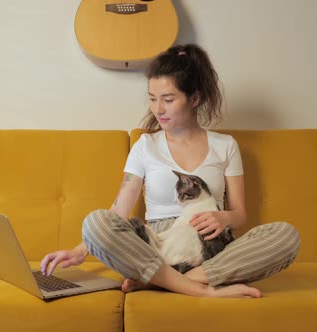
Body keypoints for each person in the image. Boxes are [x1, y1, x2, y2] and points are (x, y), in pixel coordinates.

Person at [40, 44, 301, 298]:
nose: (158, 109)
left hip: (210, 247)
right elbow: (119, 210)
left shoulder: (225, 146)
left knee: (287, 236)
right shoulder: (146, 146)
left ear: (195, 98)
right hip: (155, 246)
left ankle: (168, 281)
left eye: (168, 99)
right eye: (152, 99)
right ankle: (201, 288)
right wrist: (81, 249)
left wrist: (224, 219)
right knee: (95, 222)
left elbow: (240, 213)